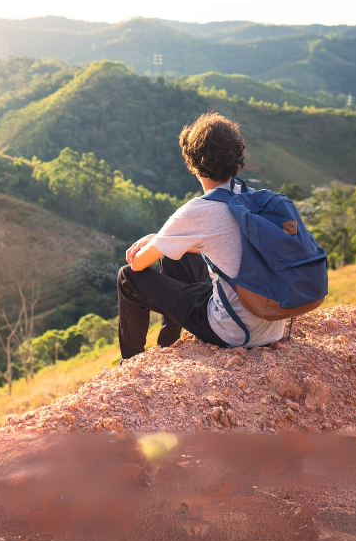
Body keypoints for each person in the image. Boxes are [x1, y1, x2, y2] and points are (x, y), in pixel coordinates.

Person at [117, 111, 285, 358]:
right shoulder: (251, 198)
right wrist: (161, 240)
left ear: (194, 165)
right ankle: (167, 345)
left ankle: (129, 363)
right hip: (271, 324)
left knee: (127, 277)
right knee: (177, 254)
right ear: (236, 157)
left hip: (234, 332)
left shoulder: (198, 211)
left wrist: (157, 241)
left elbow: (139, 263)